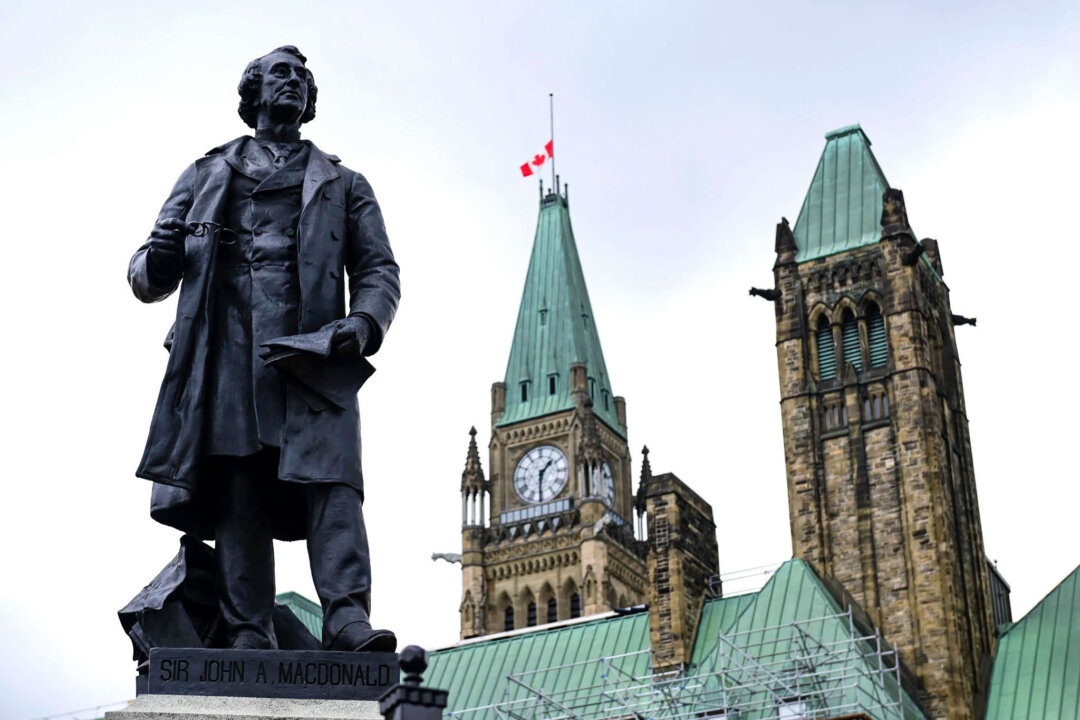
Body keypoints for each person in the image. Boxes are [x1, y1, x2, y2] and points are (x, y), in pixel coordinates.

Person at [127, 46, 400, 652]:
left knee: (334, 487)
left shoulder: (344, 183)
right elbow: (146, 276)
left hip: (315, 356)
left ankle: (347, 617)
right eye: (283, 73)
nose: (296, 83)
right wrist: (166, 252)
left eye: (304, 78)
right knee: (239, 484)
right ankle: (249, 630)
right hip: (225, 354)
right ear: (253, 92)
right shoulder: (205, 173)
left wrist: (364, 324)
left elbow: (380, 270)